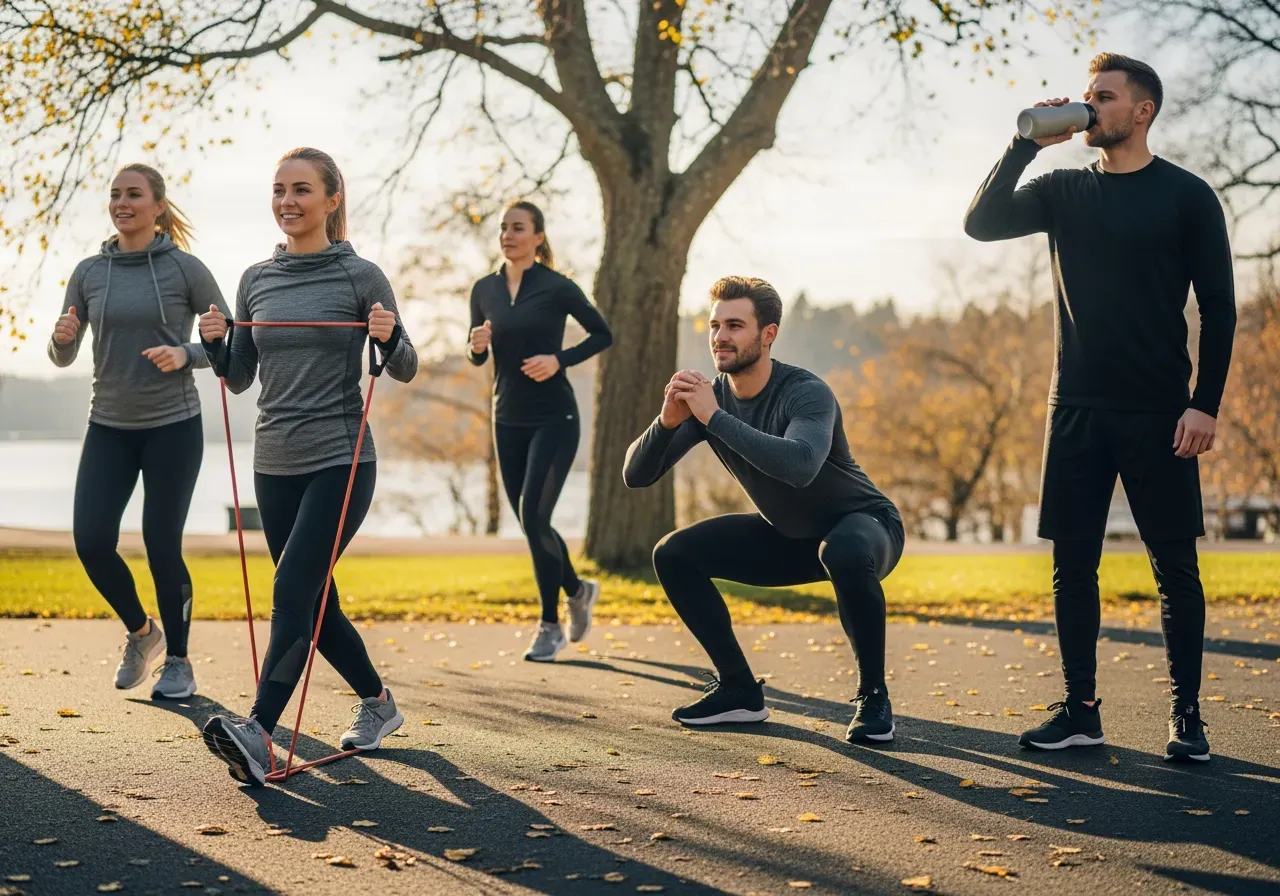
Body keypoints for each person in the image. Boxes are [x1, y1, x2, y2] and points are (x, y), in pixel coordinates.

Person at [963, 53, 1236, 762]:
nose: (1090, 109)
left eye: (1103, 99)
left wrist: (1204, 405)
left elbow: (1221, 307)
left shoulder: (1187, 196)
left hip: (1159, 411)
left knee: (1174, 565)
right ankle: (1081, 711)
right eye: (1087, 98)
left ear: (1141, 111)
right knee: (1072, 564)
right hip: (1077, 407)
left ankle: (1187, 717)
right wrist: (1025, 143)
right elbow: (981, 225)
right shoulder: (1061, 190)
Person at [197, 147, 418, 786]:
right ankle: (379, 705)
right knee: (316, 601)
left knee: (293, 591)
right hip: (275, 463)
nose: (287, 201)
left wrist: (388, 334)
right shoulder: (255, 279)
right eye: (278, 189)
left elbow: (403, 366)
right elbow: (239, 378)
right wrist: (215, 345)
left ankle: (258, 731)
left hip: (341, 459)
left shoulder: (362, 276)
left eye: (301, 189)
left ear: (331, 198)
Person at [623, 276, 905, 742]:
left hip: (866, 528)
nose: (720, 337)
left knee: (844, 552)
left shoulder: (805, 392)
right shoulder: (710, 398)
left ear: (767, 334)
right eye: (715, 325)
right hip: (791, 537)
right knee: (673, 553)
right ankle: (738, 690)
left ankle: (873, 696)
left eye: (735, 325)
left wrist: (713, 417)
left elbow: (799, 467)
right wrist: (666, 421)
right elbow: (636, 475)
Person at [48, 163, 229, 701]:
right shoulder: (88, 272)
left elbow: (229, 341)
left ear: (158, 206)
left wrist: (188, 352)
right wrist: (60, 339)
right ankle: (142, 633)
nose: (122, 203)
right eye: (115, 195)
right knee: (92, 540)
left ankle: (178, 660)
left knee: (160, 545)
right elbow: (62, 356)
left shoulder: (186, 270)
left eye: (133, 195)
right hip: (108, 424)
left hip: (173, 426)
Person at [467, 200, 612, 662]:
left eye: (518, 228)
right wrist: (474, 347)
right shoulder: (484, 290)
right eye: (503, 228)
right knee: (533, 523)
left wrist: (559, 360)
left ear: (538, 237)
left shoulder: (557, 287)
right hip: (506, 417)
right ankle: (577, 588)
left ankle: (549, 624)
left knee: (534, 517)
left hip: (555, 417)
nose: (508, 235)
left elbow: (601, 333)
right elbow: (477, 351)